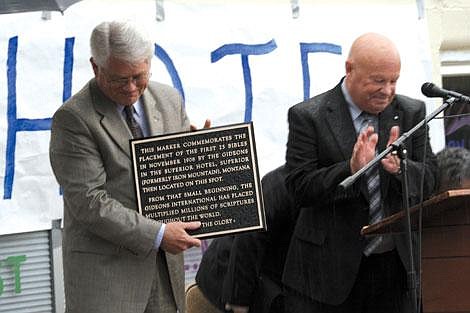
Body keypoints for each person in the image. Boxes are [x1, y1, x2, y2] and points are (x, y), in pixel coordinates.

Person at [49, 20, 209, 313]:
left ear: (148, 63)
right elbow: (89, 202)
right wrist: (159, 233)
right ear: (96, 67)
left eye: (139, 76)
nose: (131, 87)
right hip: (108, 278)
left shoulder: (169, 99)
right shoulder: (73, 119)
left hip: (165, 272)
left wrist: (199, 152)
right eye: (119, 79)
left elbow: (174, 172)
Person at [282, 32, 438, 313]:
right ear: (349, 69)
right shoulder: (309, 116)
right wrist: (350, 170)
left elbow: (431, 180)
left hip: (395, 267)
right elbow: (298, 188)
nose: (387, 90)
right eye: (378, 80)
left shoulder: (411, 112)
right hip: (330, 274)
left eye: (394, 80)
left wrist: (402, 170)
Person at [195, 165, 297, 313]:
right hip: (228, 273)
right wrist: (238, 300)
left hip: (269, 271)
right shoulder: (282, 182)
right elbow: (248, 238)